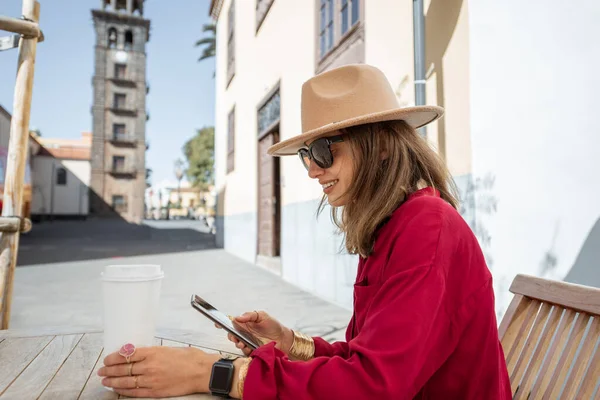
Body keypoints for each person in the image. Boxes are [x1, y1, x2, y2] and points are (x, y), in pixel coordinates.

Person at [98, 64, 512, 399]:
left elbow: (374, 386)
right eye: (305, 155)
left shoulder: (427, 228)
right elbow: (367, 356)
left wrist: (214, 373)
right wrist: (290, 342)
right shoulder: (395, 224)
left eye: (322, 150)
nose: (313, 169)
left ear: (381, 145)